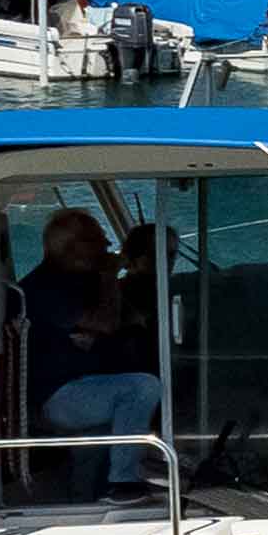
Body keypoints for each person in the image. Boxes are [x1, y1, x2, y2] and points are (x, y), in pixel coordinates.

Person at [17, 206, 163, 499]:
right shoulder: (43, 288)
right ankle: (124, 481)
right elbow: (107, 323)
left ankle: (89, 498)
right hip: (59, 396)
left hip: (90, 384)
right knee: (142, 388)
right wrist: (109, 275)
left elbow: (133, 319)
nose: (107, 248)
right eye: (99, 242)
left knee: (96, 448)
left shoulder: (86, 282)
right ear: (72, 248)